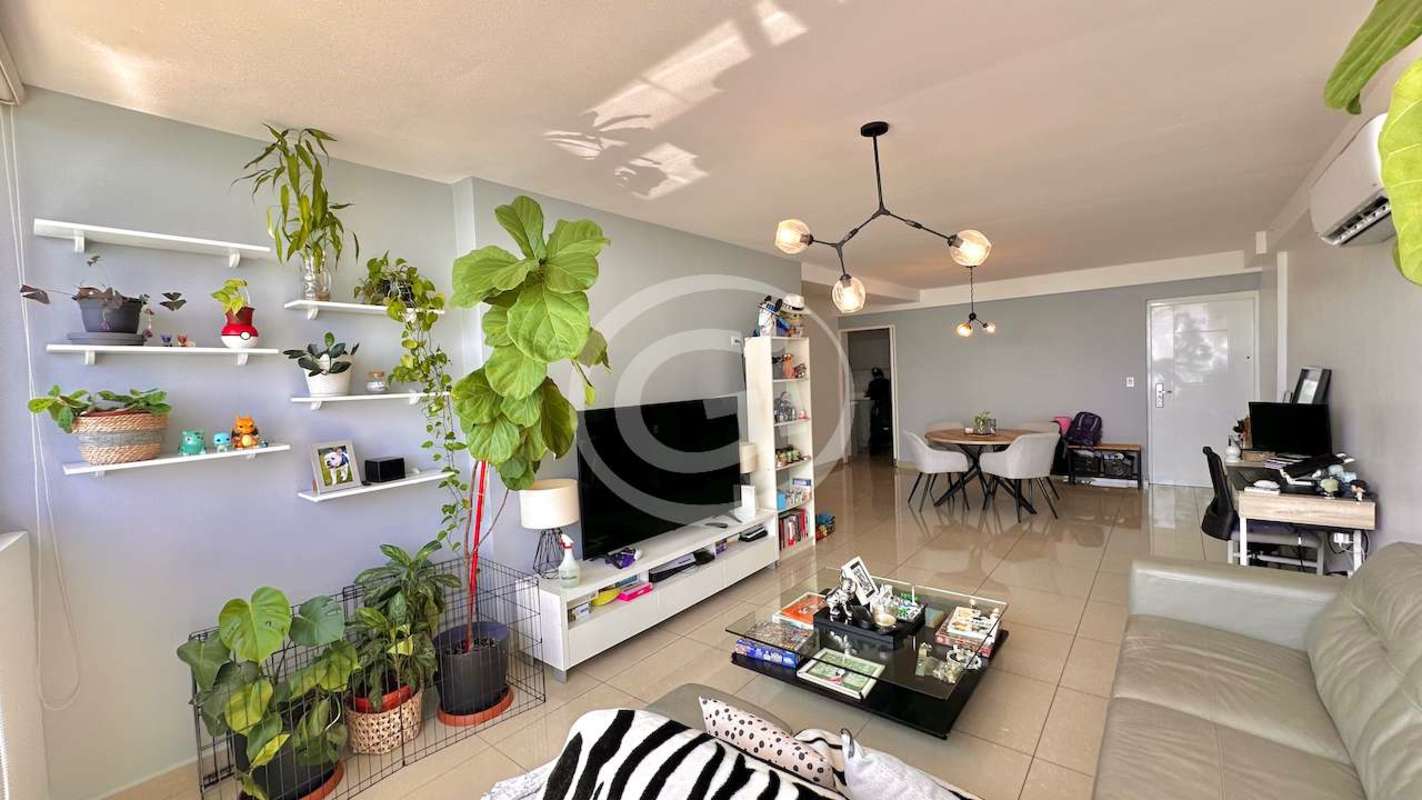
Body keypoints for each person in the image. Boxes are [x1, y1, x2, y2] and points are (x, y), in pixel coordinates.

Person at [866, 367, 892, 455]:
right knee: (885, 426)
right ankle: (886, 446)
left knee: (875, 427)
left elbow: (869, 395)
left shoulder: (872, 383)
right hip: (886, 407)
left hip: (876, 407)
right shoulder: (886, 382)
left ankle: (875, 448)